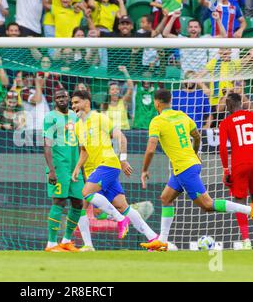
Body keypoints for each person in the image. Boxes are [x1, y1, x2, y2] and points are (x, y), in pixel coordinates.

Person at [140, 89, 253, 250]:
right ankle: (162, 241)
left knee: (207, 205)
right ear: (170, 101)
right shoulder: (182, 116)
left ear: (157, 103)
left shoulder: (157, 121)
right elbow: (197, 136)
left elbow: (151, 149)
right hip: (187, 165)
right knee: (166, 198)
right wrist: (194, 153)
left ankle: (251, 211)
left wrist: (144, 170)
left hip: (185, 168)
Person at [71, 89, 165, 250]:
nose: (73, 106)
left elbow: (122, 137)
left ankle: (120, 220)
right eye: (72, 103)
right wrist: (78, 167)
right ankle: (154, 239)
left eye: (76, 102)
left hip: (108, 163)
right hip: (99, 168)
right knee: (122, 206)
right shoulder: (78, 127)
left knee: (86, 193)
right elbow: (85, 150)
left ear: (86, 102)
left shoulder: (99, 118)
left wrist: (123, 160)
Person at [219, 92, 253, 250]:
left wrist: (225, 169)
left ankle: (246, 240)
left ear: (228, 106)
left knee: (240, 202)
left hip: (239, 166)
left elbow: (223, 148)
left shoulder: (226, 123)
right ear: (240, 103)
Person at [43, 89, 83, 252]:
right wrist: (51, 170)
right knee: (59, 201)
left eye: (64, 97)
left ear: (68, 99)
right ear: (54, 100)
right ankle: (51, 243)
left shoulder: (75, 116)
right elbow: (47, 144)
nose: (61, 99)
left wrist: (82, 167)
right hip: (60, 167)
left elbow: (81, 143)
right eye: (58, 97)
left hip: (75, 168)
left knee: (78, 203)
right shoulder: (50, 117)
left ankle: (66, 240)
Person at [100, 65, 133, 130]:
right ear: (109, 92)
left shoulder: (123, 101)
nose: (115, 91)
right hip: (111, 134)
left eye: (117, 89)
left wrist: (125, 72)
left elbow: (131, 87)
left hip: (125, 131)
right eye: (112, 89)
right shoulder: (104, 105)